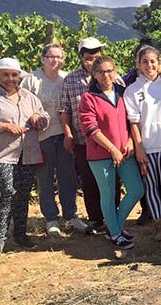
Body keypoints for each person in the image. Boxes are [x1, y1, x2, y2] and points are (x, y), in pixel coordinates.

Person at [0, 58, 50, 261]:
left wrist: (39, 120)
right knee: (9, 191)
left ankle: (20, 235)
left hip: (28, 153)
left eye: (14, 75)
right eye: (5, 74)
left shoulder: (29, 97)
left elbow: (44, 117)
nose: (10, 79)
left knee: (22, 194)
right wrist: (3, 126)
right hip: (2, 154)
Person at [20, 44, 89, 237]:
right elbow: (22, 106)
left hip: (64, 135)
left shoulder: (66, 78)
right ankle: (51, 219)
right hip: (41, 137)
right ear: (43, 59)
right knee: (45, 178)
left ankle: (71, 215)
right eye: (51, 57)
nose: (56, 61)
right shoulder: (31, 80)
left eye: (59, 57)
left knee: (68, 177)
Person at [79, 56, 144, 249]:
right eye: (100, 72)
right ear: (94, 74)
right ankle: (116, 234)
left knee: (137, 189)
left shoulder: (123, 93)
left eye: (109, 71)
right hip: (100, 155)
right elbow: (90, 128)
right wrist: (112, 149)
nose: (106, 75)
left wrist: (131, 141)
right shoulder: (88, 97)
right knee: (108, 194)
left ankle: (113, 226)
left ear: (115, 71)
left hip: (125, 152)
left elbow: (131, 121)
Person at [59, 37, 120, 234]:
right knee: (89, 181)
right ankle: (95, 219)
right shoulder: (71, 79)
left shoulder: (113, 77)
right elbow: (65, 108)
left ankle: (114, 217)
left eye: (96, 56)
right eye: (88, 58)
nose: (92, 61)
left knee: (112, 181)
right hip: (82, 140)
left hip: (110, 141)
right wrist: (67, 132)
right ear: (81, 57)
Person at [124, 46, 161, 242]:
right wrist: (139, 147)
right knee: (151, 186)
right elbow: (133, 122)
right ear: (138, 64)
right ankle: (158, 224)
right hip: (147, 147)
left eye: (153, 61)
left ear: (159, 63)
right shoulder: (132, 90)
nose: (149, 65)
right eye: (145, 62)